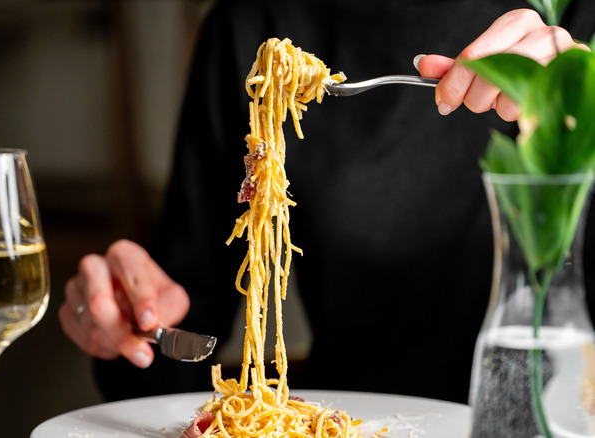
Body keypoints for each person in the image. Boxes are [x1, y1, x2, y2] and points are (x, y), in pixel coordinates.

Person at [60, 0, 595, 404]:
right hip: (354, 422)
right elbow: (174, 344)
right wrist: (127, 318)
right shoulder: (253, 22)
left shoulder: (574, 17)